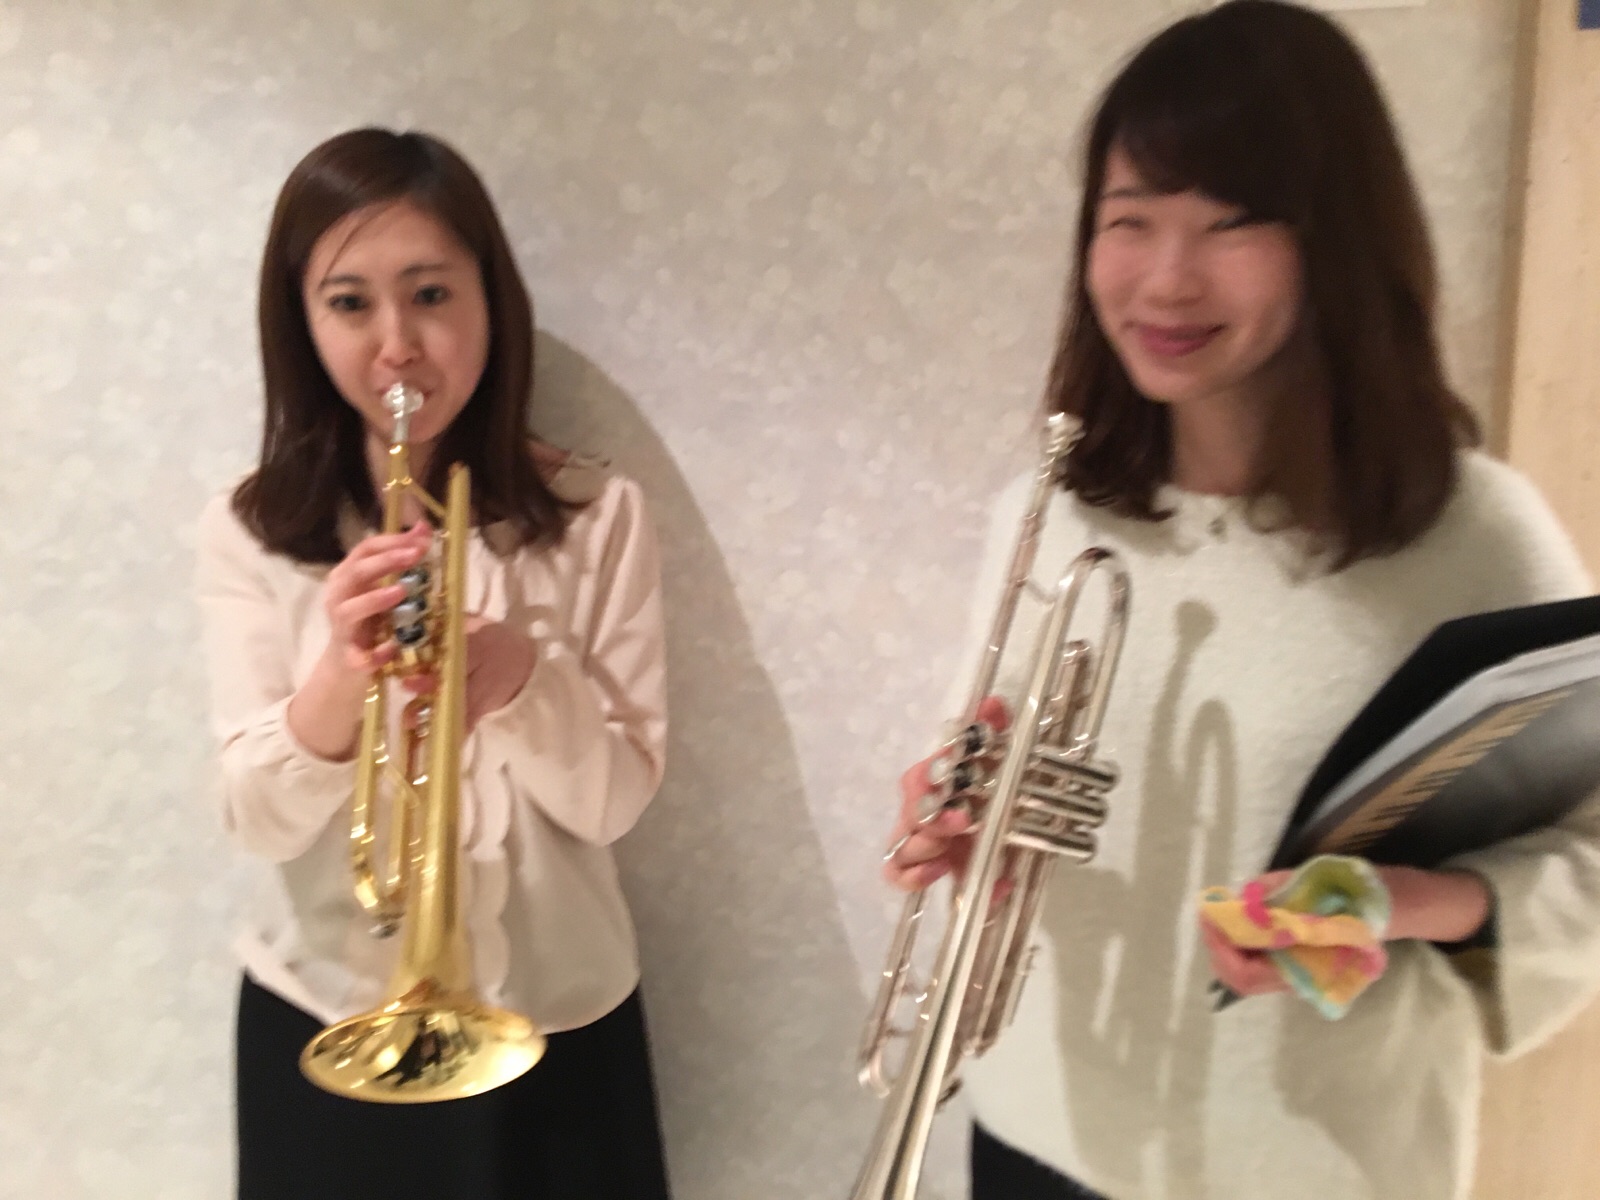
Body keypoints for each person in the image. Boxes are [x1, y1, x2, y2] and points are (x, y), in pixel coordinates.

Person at [881, 4, 1600, 1199]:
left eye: (1231, 224)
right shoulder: (1047, 512)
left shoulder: (1473, 537)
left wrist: (1418, 901)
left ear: (1337, 243)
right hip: (1037, 1126)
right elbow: (988, 757)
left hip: (1312, 1165)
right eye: (1129, 221)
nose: (1166, 278)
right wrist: (958, 812)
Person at [195, 128, 672, 1200]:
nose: (398, 345)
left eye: (431, 294)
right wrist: (338, 682)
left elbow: (613, 803)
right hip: (328, 1015)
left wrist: (518, 681)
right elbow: (255, 819)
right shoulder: (249, 531)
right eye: (349, 303)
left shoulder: (599, 516)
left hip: (561, 1017)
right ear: (302, 324)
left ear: (490, 301)